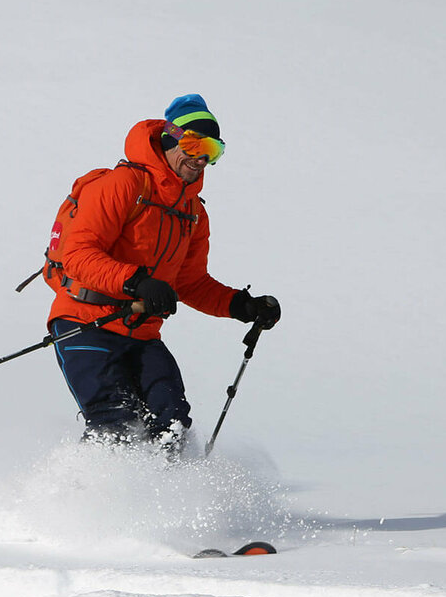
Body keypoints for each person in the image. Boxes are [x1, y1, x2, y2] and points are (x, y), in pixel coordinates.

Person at [47, 94, 280, 452]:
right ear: (170, 138)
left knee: (170, 424)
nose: (201, 157)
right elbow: (77, 255)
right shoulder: (123, 185)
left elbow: (190, 283)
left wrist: (242, 306)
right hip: (85, 322)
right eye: (193, 144)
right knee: (115, 423)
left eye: (213, 150)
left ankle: (167, 504)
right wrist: (137, 281)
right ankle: (79, 499)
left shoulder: (193, 214)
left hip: (141, 333)